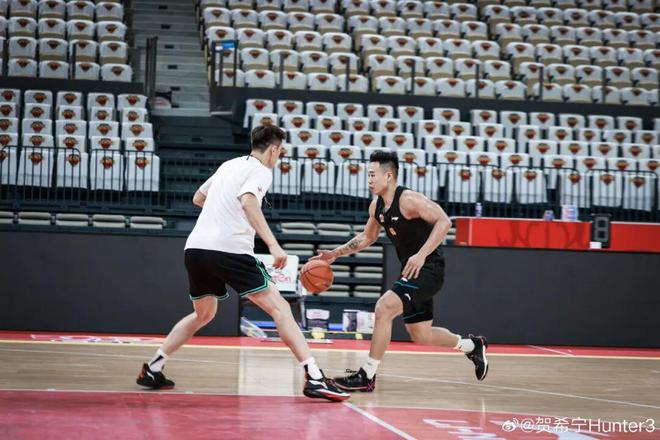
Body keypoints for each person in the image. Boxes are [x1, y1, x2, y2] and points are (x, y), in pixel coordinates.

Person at [136, 125, 349, 402]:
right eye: (280, 151)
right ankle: (315, 377)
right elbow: (249, 202)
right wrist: (273, 244)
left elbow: (198, 198)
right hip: (230, 249)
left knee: (203, 315)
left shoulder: (229, 165)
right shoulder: (261, 170)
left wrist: (223, 212)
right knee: (281, 308)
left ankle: (153, 368)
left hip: (196, 248)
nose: (279, 156)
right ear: (273, 149)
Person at [312, 151, 488, 392]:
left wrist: (421, 254)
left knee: (383, 308)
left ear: (389, 175)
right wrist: (335, 253)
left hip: (428, 268)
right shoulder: (376, 206)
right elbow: (367, 237)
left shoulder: (409, 200)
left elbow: (444, 221)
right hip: (413, 271)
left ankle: (367, 375)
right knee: (421, 334)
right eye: (368, 175)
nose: (369, 180)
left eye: (373, 175)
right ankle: (472, 346)